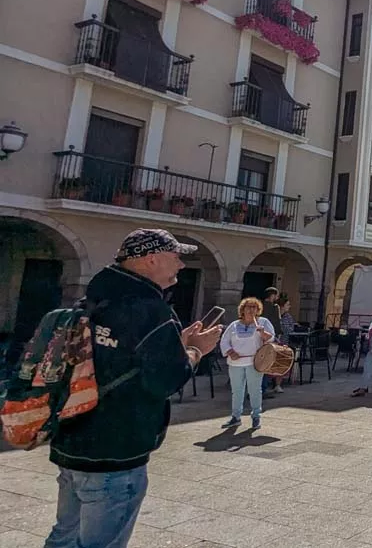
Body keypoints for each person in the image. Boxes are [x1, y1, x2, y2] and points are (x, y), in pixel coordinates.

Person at [46, 229, 223, 548]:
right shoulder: (149, 309)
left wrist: (175, 344)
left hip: (71, 439)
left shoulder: (94, 299)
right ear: (151, 259)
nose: (181, 265)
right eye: (175, 257)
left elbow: (119, 357)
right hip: (116, 448)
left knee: (64, 536)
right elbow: (166, 380)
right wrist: (195, 351)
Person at [219, 298, 275, 429]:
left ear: (258, 310)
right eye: (248, 307)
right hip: (235, 362)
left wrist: (263, 333)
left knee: (255, 390)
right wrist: (230, 351)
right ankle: (235, 416)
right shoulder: (234, 325)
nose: (251, 310)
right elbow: (224, 341)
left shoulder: (263, 322)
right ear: (242, 310)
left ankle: (256, 416)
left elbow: (271, 338)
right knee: (237, 391)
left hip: (254, 362)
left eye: (254, 307)